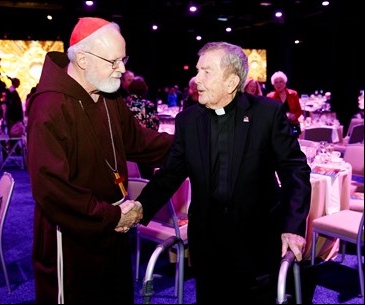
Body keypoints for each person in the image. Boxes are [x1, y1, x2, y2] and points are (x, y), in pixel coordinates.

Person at [135, 42, 312, 303]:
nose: (196, 79)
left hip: (256, 237)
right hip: (207, 241)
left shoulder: (266, 113)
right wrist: (141, 206)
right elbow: (171, 172)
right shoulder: (188, 120)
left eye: (206, 72)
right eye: (197, 71)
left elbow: (294, 169)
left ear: (231, 82)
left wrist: (293, 226)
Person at [26, 17, 173, 304]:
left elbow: (137, 141)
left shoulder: (108, 93)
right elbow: (52, 190)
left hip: (114, 226)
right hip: (71, 236)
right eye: (114, 61)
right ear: (82, 59)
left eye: (124, 59)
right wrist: (112, 216)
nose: (123, 69)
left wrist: (189, 143)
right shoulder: (49, 106)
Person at [125, 75, 160, 178]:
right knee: (146, 178)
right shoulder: (148, 105)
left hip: (128, 148)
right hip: (145, 148)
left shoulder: (124, 104)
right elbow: (154, 128)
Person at [267, 71, 303, 137]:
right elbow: (269, 114)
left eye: (281, 81)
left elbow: (299, 111)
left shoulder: (293, 94)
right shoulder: (270, 96)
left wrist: (294, 116)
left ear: (285, 83)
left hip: (293, 126)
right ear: (273, 84)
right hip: (277, 128)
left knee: (294, 146)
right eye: (276, 82)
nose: (278, 84)